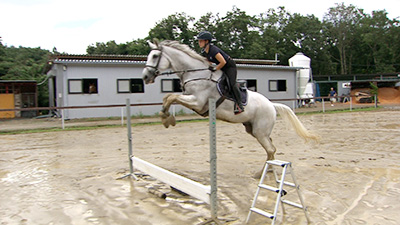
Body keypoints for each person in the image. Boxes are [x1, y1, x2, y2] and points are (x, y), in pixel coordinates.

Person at [196, 31, 244, 114]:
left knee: (232, 84)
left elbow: (223, 62)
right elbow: (209, 62)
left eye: (201, 41)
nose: (199, 43)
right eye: (199, 41)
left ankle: (240, 104)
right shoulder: (204, 52)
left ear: (206, 41)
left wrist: (215, 69)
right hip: (221, 67)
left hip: (229, 66)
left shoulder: (213, 49)